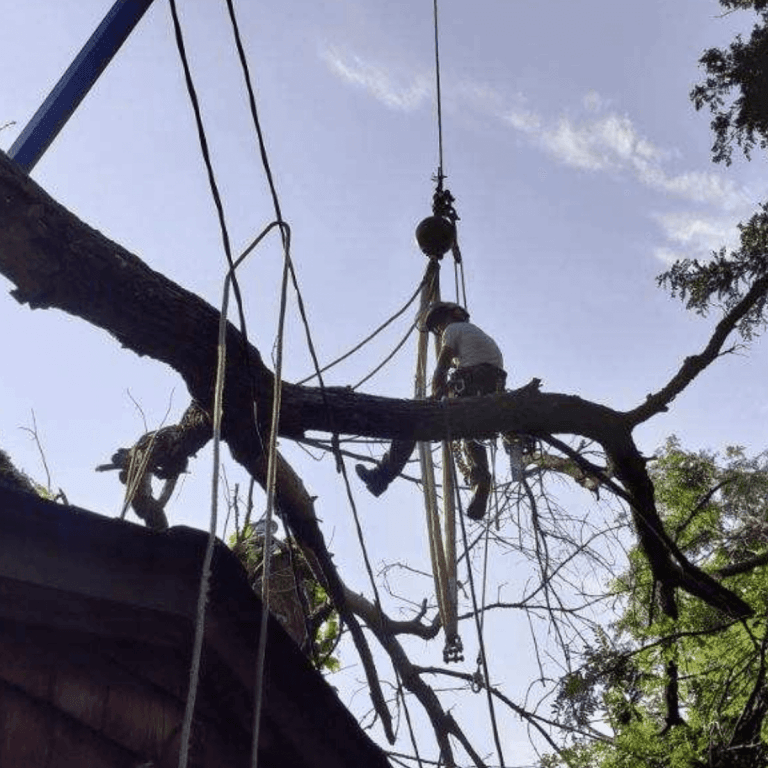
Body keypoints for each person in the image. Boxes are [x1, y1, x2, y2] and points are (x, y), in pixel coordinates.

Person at [355, 301, 507, 520]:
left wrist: (435, 396)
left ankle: (381, 477)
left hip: (470, 385)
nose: (438, 331)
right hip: (491, 390)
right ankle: (481, 480)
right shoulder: (480, 336)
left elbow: (442, 367)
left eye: (438, 325)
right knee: (471, 435)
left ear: (449, 318)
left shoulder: (453, 330)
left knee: (411, 420)